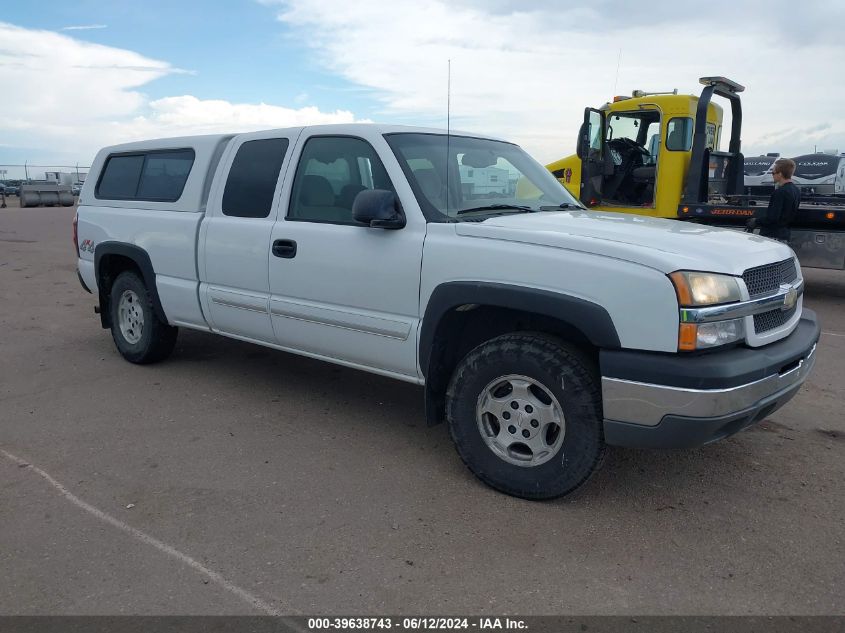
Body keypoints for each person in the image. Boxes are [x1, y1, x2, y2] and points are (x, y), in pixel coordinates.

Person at [748, 158, 800, 241]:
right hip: (784, 234)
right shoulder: (796, 190)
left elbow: (772, 218)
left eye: (773, 173)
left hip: (772, 236)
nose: (772, 175)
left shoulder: (780, 192)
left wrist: (756, 221)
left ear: (780, 174)